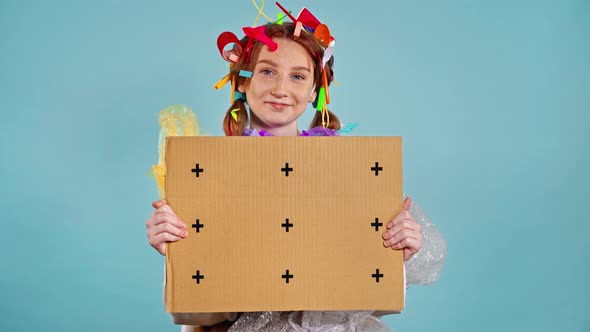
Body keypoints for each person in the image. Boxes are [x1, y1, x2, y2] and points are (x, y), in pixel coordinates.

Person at [146, 8, 446, 332]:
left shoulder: (351, 172)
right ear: (242, 81)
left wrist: (401, 248)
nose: (280, 89)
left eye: (298, 76)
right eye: (267, 72)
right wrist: (178, 250)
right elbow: (193, 312)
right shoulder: (207, 174)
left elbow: (378, 295)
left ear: (316, 90)